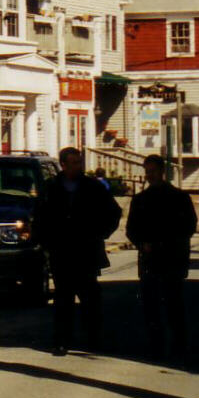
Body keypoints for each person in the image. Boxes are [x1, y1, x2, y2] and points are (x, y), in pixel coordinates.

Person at [32, 146, 122, 356]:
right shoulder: (52, 188)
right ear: (63, 165)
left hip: (87, 251)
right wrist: (46, 243)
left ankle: (93, 340)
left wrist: (101, 233)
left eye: (79, 162)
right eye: (73, 163)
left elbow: (114, 211)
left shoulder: (93, 186)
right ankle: (62, 341)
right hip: (61, 252)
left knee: (90, 298)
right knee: (63, 299)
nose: (77, 166)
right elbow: (39, 217)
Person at [126, 154, 197, 360]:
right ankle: (156, 346)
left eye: (153, 171)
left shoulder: (179, 197)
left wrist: (170, 243)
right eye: (147, 172)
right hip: (149, 259)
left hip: (172, 258)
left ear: (162, 172)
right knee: (151, 306)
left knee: (174, 304)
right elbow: (131, 229)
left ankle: (179, 346)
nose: (150, 176)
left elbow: (189, 226)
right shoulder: (140, 200)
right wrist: (141, 243)